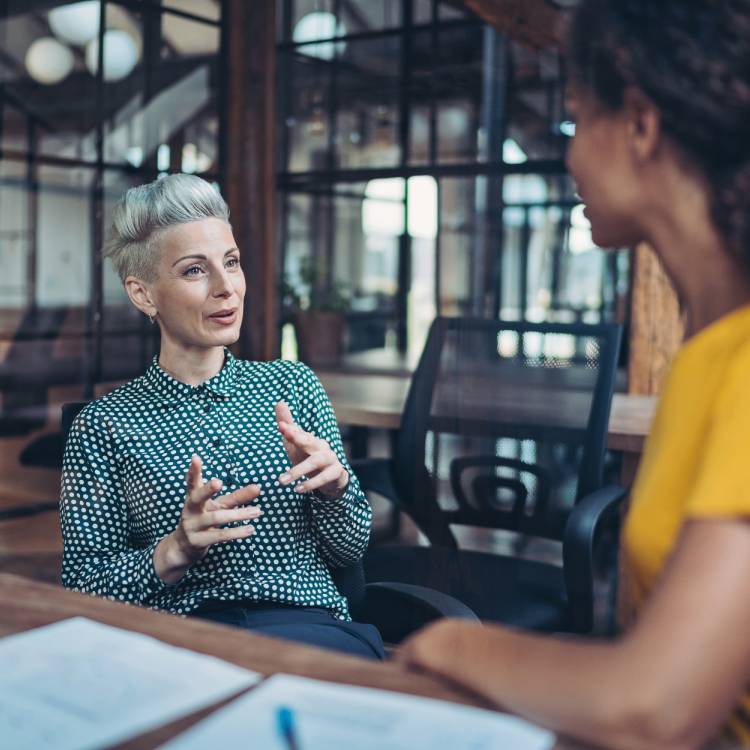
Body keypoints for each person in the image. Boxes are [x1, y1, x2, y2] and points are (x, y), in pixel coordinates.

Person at [397, 0, 750, 746]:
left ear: (641, 125)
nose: (569, 156)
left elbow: (655, 706)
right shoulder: (705, 356)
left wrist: (453, 644)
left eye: (577, 119)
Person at [60, 173, 384, 660]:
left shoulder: (292, 387)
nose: (226, 287)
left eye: (231, 263)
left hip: (308, 629)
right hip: (183, 641)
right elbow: (83, 590)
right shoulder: (105, 424)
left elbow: (348, 553)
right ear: (143, 294)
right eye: (195, 271)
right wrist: (172, 552)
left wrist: (338, 492)